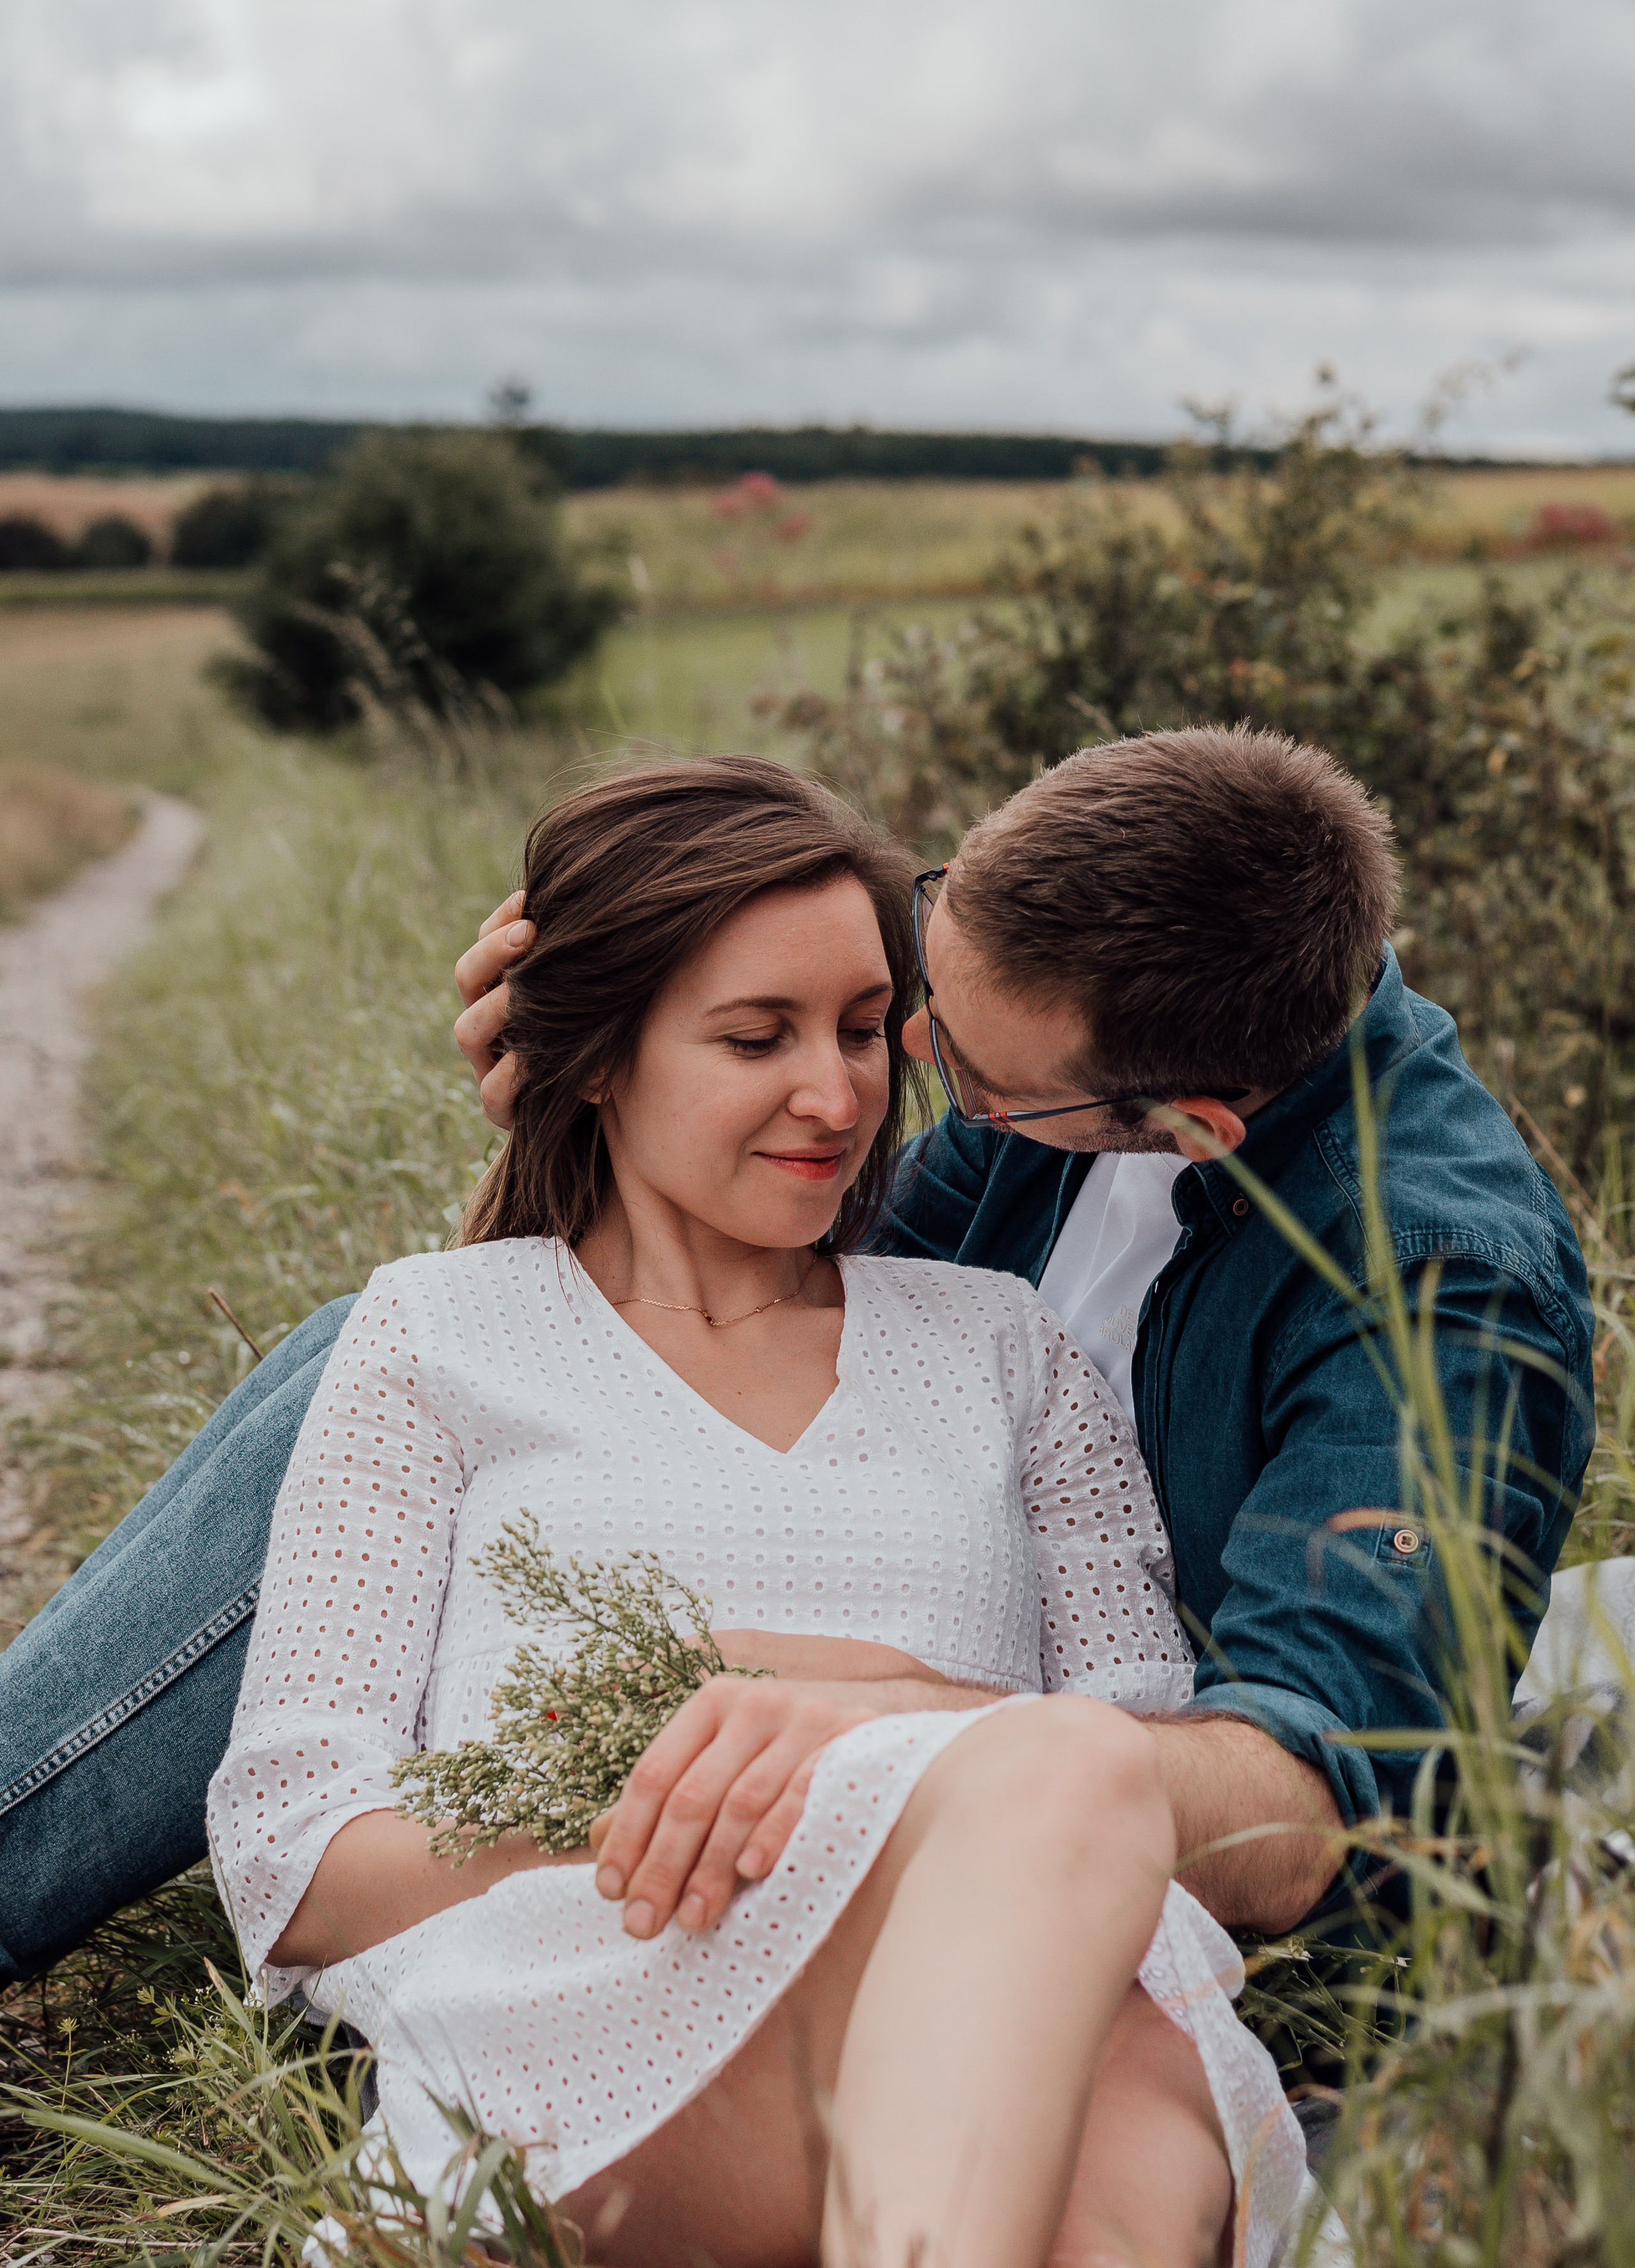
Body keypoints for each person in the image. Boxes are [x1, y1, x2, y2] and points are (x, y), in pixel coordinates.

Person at [0, 725, 1593, 1999]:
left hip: (1091, 1772)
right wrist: (606, 1101)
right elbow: (762, 1341)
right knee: (400, 1347)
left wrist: (909, 1728)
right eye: (916, 979)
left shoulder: (1433, 1283)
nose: (894, 1075)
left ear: (1189, 1127)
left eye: (948, 1066)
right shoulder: (1066, 1026)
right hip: (846, 1660)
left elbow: (1302, 1807)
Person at [208, 753, 1303, 2267]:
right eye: (753, 1035)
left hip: (1035, 1988)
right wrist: (650, 1778)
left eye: (864, 1030)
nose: (838, 1092)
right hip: (629, 2027)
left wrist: (861, 1720)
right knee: (1056, 1783)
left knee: (1102, 2021)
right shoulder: (436, 1337)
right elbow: (292, 1852)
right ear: (598, 1057)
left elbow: (1140, 1766)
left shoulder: (1000, 1344)